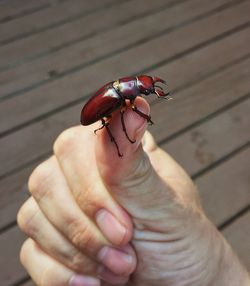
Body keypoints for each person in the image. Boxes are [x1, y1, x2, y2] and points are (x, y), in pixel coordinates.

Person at [17, 98, 250, 286]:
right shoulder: (119, 100)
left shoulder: (124, 99)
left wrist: (216, 276)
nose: (146, 91)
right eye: (141, 88)